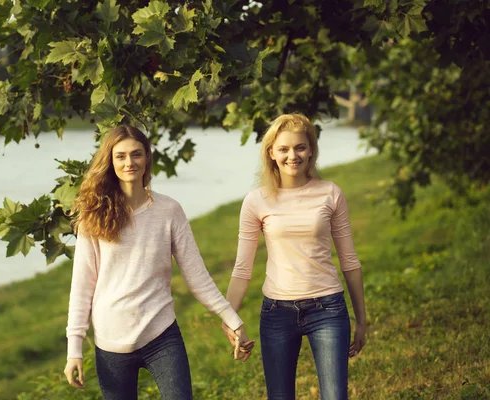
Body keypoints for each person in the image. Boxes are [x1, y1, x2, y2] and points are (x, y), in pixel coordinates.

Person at [63, 125, 254, 400]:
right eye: (121, 156)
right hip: (111, 341)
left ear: (147, 158)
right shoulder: (92, 217)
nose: (129, 162)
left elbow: (197, 276)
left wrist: (233, 321)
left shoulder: (169, 211)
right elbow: (82, 288)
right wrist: (74, 350)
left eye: (136, 154)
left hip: (161, 335)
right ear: (111, 161)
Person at [223, 114, 367, 400]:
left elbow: (349, 261)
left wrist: (361, 319)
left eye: (300, 147)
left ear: (311, 149)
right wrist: (229, 317)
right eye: (284, 149)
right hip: (277, 313)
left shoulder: (331, 194)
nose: (293, 156)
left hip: (327, 308)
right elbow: (242, 268)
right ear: (271, 153)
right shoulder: (256, 200)